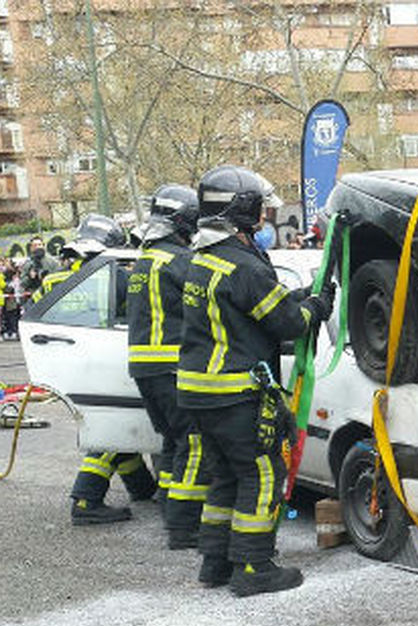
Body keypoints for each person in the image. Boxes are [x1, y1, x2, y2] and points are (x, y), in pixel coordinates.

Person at [177, 165, 334, 596]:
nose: (265, 215)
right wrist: (317, 307)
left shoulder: (205, 258)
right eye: (261, 208)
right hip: (235, 394)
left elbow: (254, 308)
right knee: (262, 473)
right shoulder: (244, 265)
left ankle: (216, 563)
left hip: (200, 393)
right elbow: (287, 323)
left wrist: (302, 296)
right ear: (242, 211)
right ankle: (253, 567)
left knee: (226, 476)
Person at [55, 215, 161, 524]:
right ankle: (86, 499)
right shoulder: (118, 279)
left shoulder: (61, 279)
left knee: (118, 421)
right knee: (115, 430)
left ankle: (140, 486)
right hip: (108, 359)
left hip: (73, 361)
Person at [128, 184, 213, 548]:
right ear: (185, 221)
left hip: (145, 369)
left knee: (174, 441)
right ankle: (183, 526)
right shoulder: (180, 261)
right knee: (194, 442)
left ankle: (168, 504)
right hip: (171, 366)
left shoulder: (145, 259)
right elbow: (211, 301)